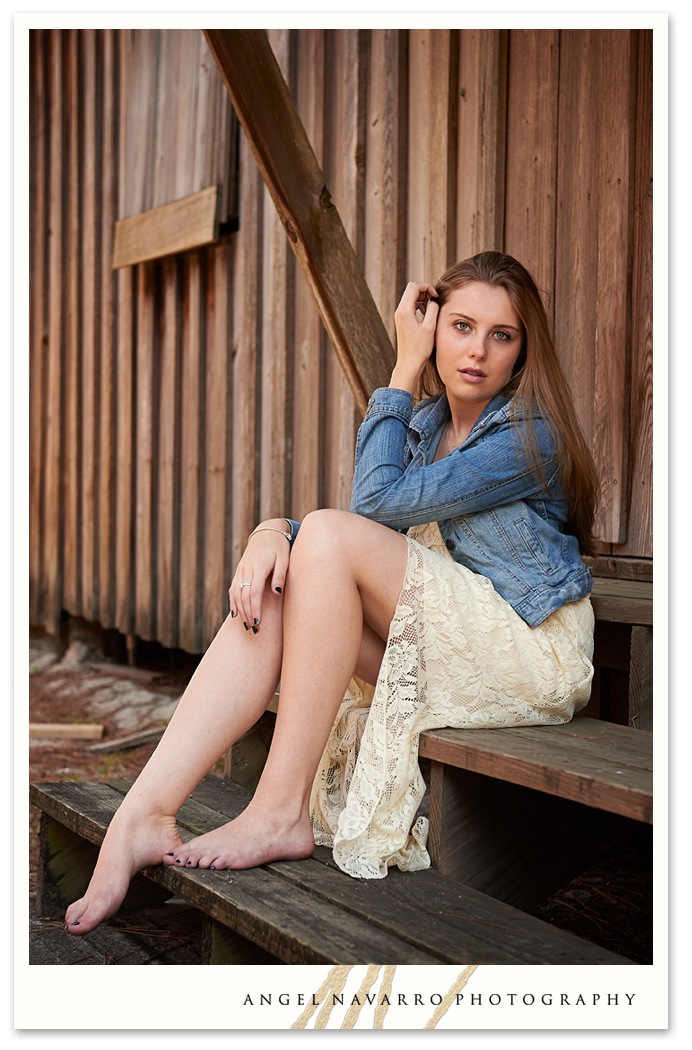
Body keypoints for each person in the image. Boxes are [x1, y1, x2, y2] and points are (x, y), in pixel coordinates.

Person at [65, 251, 598, 933]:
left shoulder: (529, 437)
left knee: (319, 537)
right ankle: (145, 813)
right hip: (445, 648)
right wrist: (273, 531)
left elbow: (368, 508)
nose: (477, 351)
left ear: (523, 352)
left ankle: (278, 810)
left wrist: (403, 368)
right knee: (282, 583)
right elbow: (361, 528)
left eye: (502, 335)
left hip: (525, 657)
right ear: (436, 326)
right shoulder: (426, 429)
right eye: (461, 326)